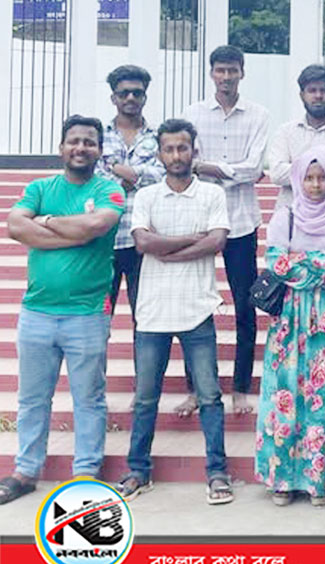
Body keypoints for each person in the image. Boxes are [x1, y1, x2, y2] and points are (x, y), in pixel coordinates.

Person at [0, 115, 124, 505]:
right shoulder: (39, 187)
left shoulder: (109, 189)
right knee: (32, 399)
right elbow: (16, 226)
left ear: (99, 150)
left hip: (87, 313)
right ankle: (25, 471)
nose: (81, 148)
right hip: (36, 312)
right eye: (74, 141)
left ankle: (85, 473)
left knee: (89, 399)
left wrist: (47, 222)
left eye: (89, 142)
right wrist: (74, 232)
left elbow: (96, 226)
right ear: (61, 148)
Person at [114, 119, 232, 505]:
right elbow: (143, 243)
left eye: (183, 148)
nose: (177, 155)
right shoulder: (147, 196)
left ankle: (217, 473)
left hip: (197, 308)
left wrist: (170, 249)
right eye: (169, 149)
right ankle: (138, 471)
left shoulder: (211, 193)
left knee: (210, 396)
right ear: (160, 153)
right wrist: (190, 240)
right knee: (145, 398)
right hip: (153, 311)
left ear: (194, 151)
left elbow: (217, 241)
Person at [256, 146, 325, 508]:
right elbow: (276, 263)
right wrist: (322, 264)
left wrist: (302, 260)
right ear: (298, 180)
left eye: (322, 178)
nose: (316, 185)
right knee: (286, 392)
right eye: (309, 178)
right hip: (290, 318)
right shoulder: (284, 217)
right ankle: (283, 479)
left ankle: (323, 479)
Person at [182, 45, 269, 417]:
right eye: (220, 70)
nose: (226, 77)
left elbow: (255, 168)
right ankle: (194, 388)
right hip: (198, 218)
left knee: (245, 305)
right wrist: (231, 170)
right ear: (211, 73)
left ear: (242, 72)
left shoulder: (259, 115)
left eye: (232, 70)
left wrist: (208, 167)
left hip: (241, 220)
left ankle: (239, 388)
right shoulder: (193, 114)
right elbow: (187, 161)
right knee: (192, 304)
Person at [97, 65, 165, 317]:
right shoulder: (97, 136)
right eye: (123, 93)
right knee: (99, 317)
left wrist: (116, 168)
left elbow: (161, 176)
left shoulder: (159, 136)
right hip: (105, 240)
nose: (130, 98)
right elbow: (96, 181)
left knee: (146, 318)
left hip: (144, 239)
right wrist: (137, 177)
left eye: (137, 93)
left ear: (145, 97)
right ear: (113, 97)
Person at [266, 64, 325, 210]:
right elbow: (277, 174)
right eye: (312, 90)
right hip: (292, 217)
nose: (318, 96)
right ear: (302, 95)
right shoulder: (285, 132)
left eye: (324, 90)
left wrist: (298, 172)